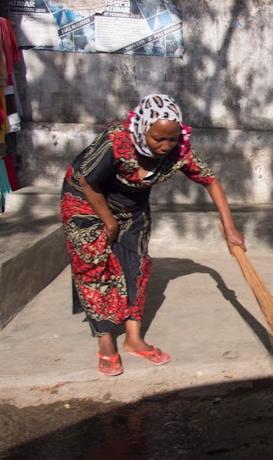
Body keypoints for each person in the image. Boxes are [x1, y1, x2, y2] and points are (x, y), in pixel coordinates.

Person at [60, 94, 245, 376]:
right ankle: (106, 342)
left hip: (132, 206)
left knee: (136, 265)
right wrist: (108, 223)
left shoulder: (179, 150)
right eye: (158, 138)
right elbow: (87, 181)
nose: (165, 146)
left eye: (171, 139)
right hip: (86, 201)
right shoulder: (116, 141)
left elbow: (210, 180)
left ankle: (134, 339)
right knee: (95, 268)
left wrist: (230, 228)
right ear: (143, 128)